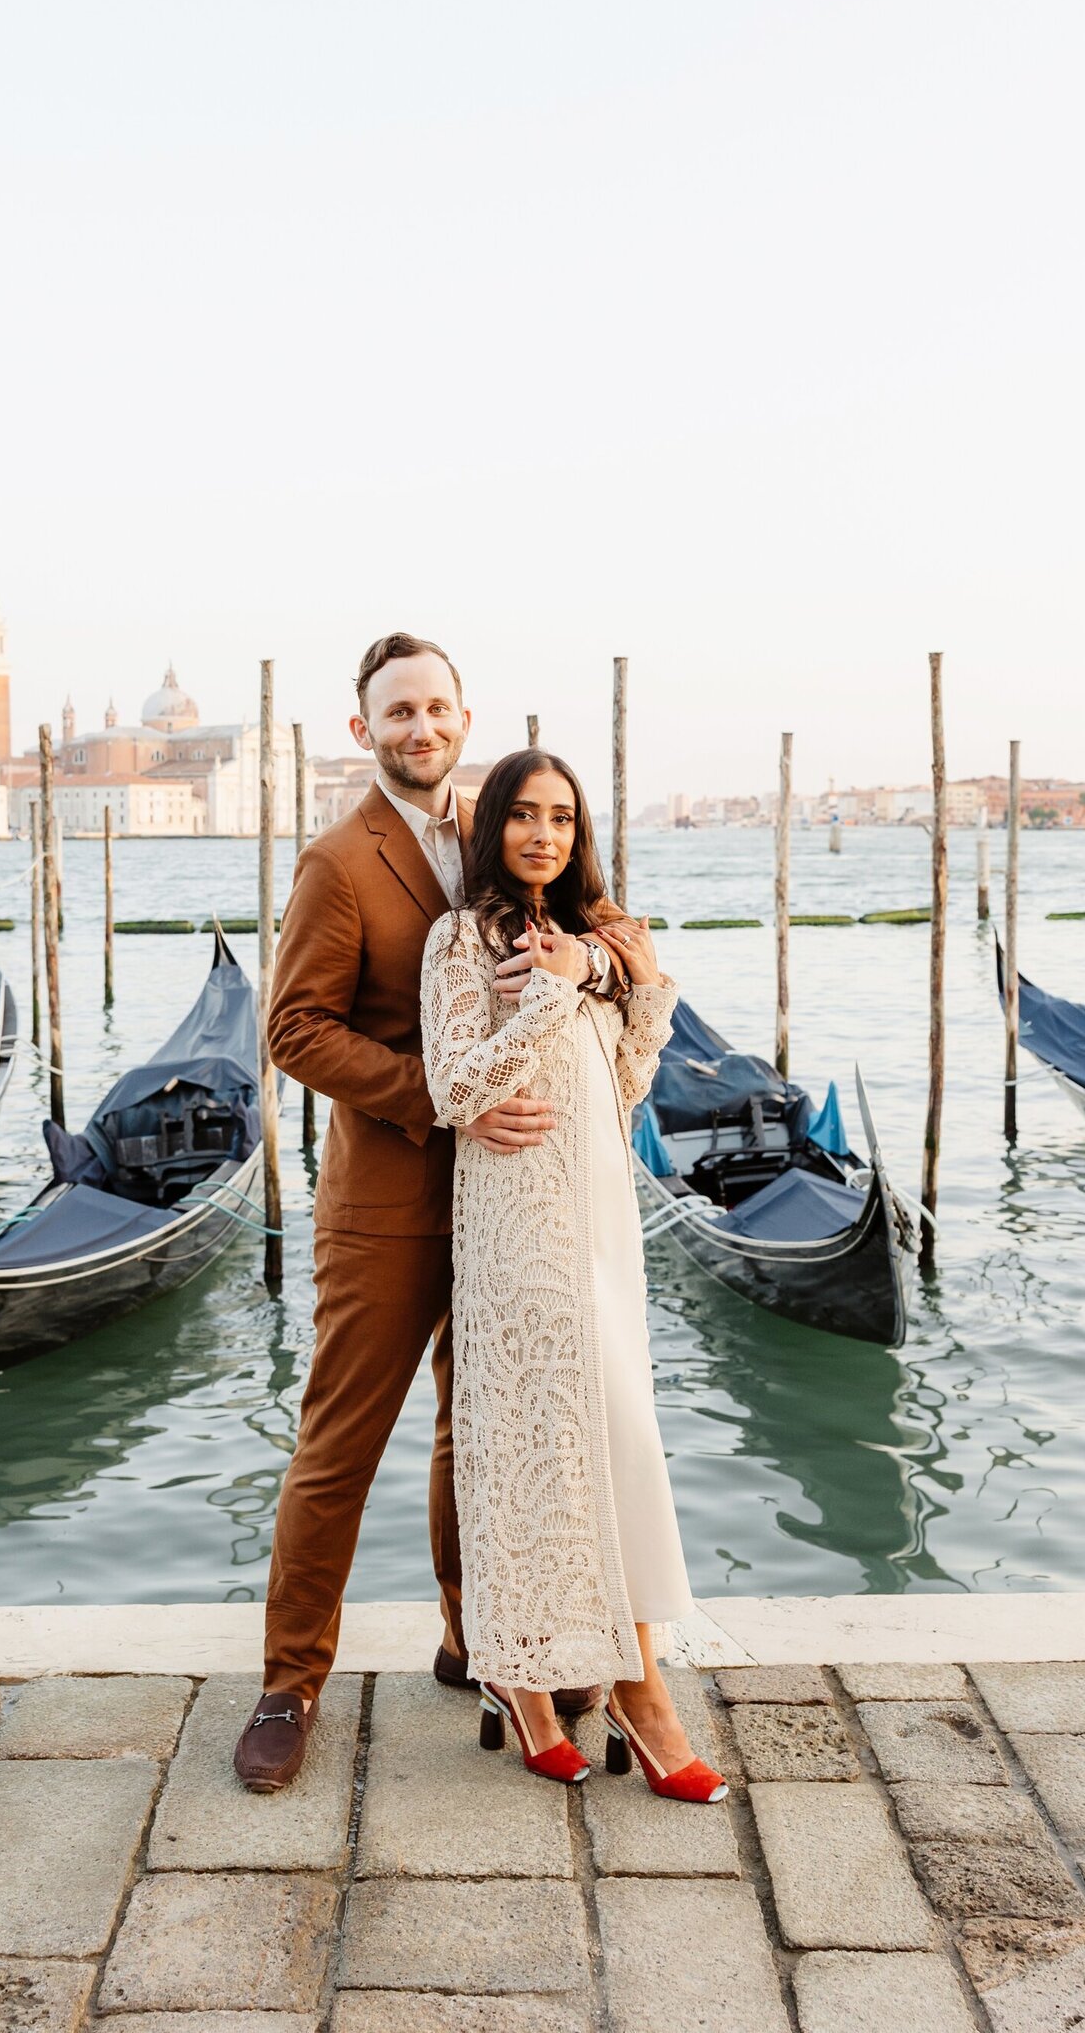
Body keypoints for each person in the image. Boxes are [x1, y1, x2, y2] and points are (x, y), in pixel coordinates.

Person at [236, 635, 616, 1793]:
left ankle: (479, 1643)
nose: (420, 726)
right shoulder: (336, 863)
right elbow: (293, 1031)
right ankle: (289, 1683)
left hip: (516, 1203)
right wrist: (439, 1103)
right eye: (397, 712)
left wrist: (593, 971)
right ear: (364, 731)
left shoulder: (505, 829)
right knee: (340, 1446)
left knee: (484, 1434)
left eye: (437, 707)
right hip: (391, 1199)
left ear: (464, 717)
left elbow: (608, 941)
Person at [419, 748, 728, 1801]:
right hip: (516, 1227)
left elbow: (629, 1084)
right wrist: (552, 994)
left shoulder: (594, 936)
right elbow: (457, 1085)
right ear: (492, 827)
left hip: (602, 1218)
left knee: (619, 1442)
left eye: (561, 816)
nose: (543, 834)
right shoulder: (458, 939)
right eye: (522, 816)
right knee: (534, 1450)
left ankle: (581, 1681)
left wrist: (629, 981)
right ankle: (583, 1690)